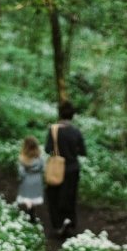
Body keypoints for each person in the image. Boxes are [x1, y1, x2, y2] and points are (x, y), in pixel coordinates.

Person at [44, 99, 86, 238]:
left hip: (57, 168)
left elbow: (47, 149)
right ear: (72, 115)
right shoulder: (76, 131)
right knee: (70, 196)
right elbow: (83, 151)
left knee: (53, 196)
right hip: (72, 169)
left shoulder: (53, 130)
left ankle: (58, 225)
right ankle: (69, 221)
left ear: (60, 114)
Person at [16, 136, 45, 225]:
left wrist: (21, 178)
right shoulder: (39, 157)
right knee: (34, 198)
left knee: (27, 197)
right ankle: (32, 212)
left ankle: (29, 211)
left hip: (27, 180)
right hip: (36, 180)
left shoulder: (23, 158)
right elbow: (42, 168)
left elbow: (21, 172)